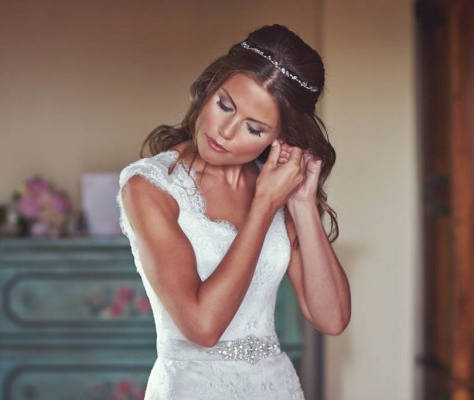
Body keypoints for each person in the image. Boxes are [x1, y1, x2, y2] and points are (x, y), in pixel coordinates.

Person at [117, 24, 351, 399]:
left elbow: (332, 317)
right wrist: (263, 206)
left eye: (253, 128)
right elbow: (203, 327)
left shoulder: (274, 184)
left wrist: (302, 203)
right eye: (224, 105)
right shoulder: (149, 188)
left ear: (280, 138)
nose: (225, 131)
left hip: (276, 387)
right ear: (208, 87)